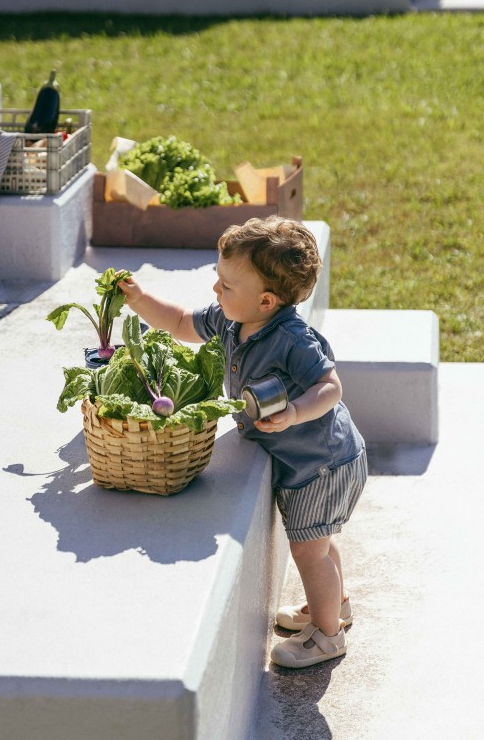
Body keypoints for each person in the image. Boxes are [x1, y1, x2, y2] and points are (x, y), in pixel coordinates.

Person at [119, 215, 367, 669]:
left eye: (226, 284)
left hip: (321, 463)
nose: (216, 289)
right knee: (318, 540)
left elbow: (330, 387)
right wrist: (139, 299)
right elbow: (179, 321)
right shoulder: (232, 320)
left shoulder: (291, 339)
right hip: (316, 461)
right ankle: (334, 605)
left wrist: (294, 412)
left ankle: (327, 635)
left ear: (266, 300)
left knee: (309, 549)